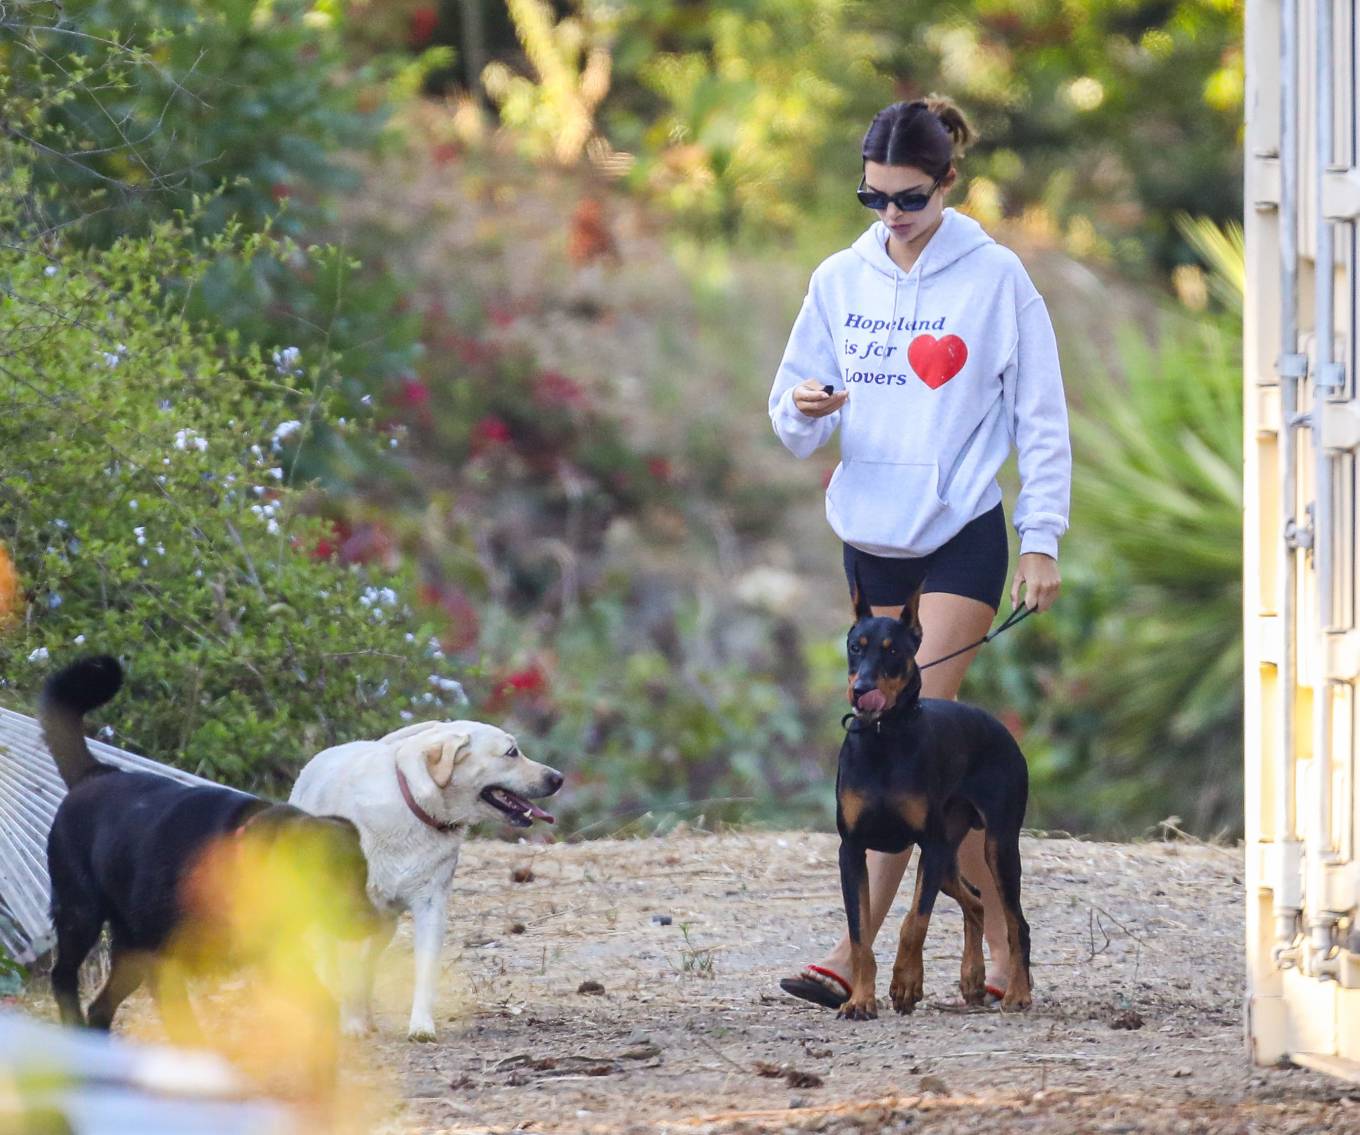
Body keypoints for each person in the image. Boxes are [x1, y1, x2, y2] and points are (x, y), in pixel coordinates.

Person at [767, 96, 1070, 1009]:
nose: (891, 217)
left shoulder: (997, 278)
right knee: (936, 770)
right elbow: (788, 418)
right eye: (874, 200)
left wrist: (1041, 539)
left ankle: (851, 953)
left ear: (948, 181)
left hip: (961, 532)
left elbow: (1040, 417)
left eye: (908, 198)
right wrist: (806, 410)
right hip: (870, 540)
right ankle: (1006, 936)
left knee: (911, 733)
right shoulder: (838, 280)